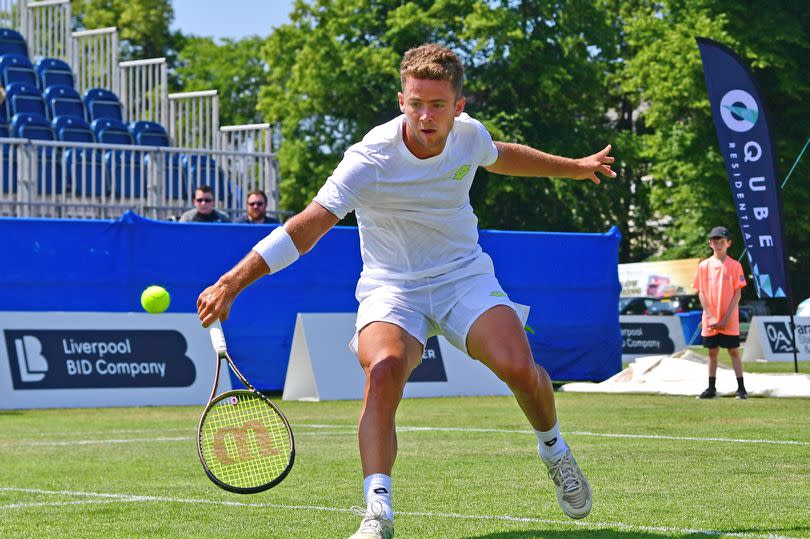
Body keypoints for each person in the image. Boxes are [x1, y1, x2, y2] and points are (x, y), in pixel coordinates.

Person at [196, 43, 615, 539]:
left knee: (520, 369)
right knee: (384, 369)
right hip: (392, 288)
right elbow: (305, 228)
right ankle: (377, 511)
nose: (425, 114)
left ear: (459, 107)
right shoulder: (368, 158)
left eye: (437, 104)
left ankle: (554, 450)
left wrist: (576, 165)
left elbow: (504, 157)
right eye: (416, 103)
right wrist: (232, 281)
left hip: (464, 276)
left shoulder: (469, 137)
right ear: (401, 100)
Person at [692, 226, 748, 400]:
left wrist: (725, 317)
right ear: (710, 243)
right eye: (715, 241)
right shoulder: (704, 266)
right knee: (712, 352)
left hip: (729, 319)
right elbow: (701, 291)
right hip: (710, 318)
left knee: (733, 351)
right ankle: (711, 388)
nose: (718, 244)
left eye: (722, 241)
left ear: (728, 243)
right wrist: (709, 315)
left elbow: (737, 292)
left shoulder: (734, 265)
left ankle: (741, 389)